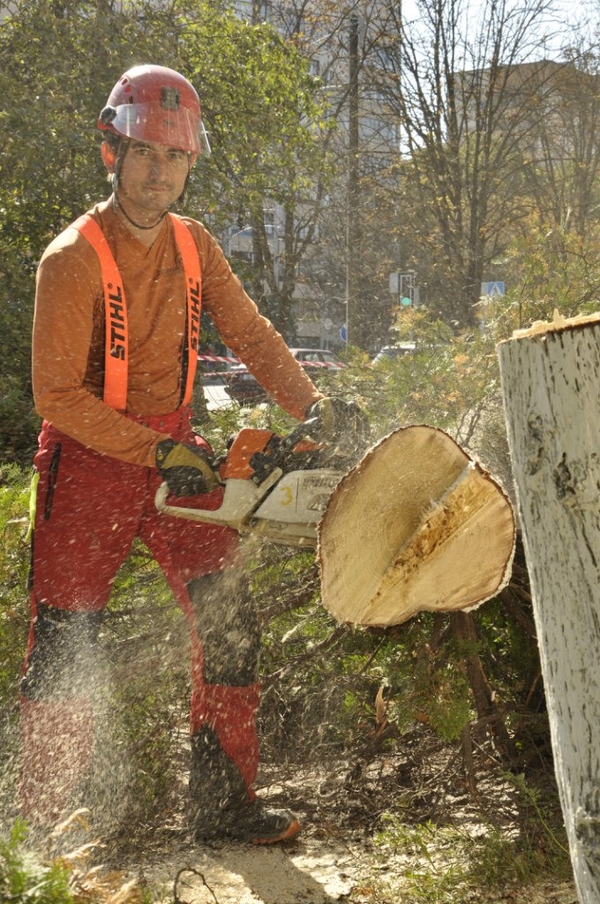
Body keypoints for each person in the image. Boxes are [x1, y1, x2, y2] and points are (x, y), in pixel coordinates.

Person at [19, 64, 362, 845]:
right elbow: (57, 399)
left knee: (230, 621)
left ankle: (221, 804)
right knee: (68, 641)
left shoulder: (194, 244)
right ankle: (35, 835)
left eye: (174, 157)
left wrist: (314, 406)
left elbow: (250, 334)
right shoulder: (70, 259)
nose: (159, 171)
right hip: (93, 461)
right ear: (113, 151)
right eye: (145, 152)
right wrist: (155, 448)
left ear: (190, 162)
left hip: (178, 453)